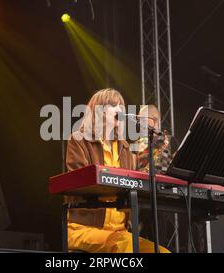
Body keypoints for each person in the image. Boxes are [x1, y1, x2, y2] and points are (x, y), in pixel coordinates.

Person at [65, 88, 170, 253]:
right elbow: (81, 183)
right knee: (127, 247)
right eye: (114, 105)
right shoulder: (79, 140)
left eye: (121, 105)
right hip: (84, 229)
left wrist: (153, 148)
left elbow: (137, 167)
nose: (120, 109)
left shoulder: (123, 147)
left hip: (120, 233)